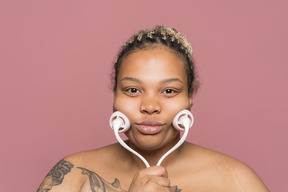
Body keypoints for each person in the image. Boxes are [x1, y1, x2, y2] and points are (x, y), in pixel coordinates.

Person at [37, 25, 269, 192]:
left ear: (189, 98)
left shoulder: (235, 180)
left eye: (168, 91)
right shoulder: (72, 174)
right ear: (115, 96)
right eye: (133, 90)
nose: (150, 107)